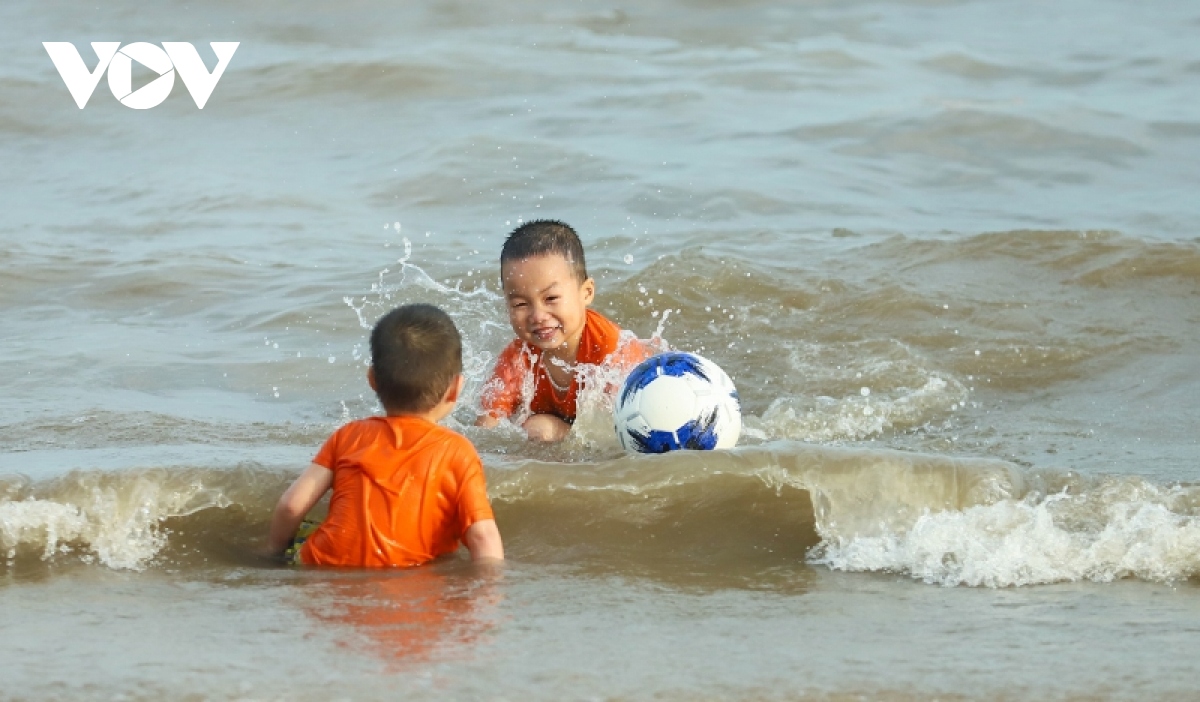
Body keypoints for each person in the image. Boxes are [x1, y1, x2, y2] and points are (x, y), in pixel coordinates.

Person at [267, 303, 504, 567]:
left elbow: (291, 505)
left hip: (326, 564)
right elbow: (483, 536)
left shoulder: (348, 435)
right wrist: (488, 596)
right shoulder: (458, 451)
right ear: (456, 389)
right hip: (409, 577)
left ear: (372, 380)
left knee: (310, 531)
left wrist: (272, 551)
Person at [477, 219, 651, 442]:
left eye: (551, 298)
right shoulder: (517, 359)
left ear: (586, 293)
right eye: (521, 304)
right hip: (555, 425)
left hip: (588, 432)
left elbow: (629, 434)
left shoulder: (613, 352)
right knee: (531, 429)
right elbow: (485, 431)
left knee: (540, 428)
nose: (538, 316)